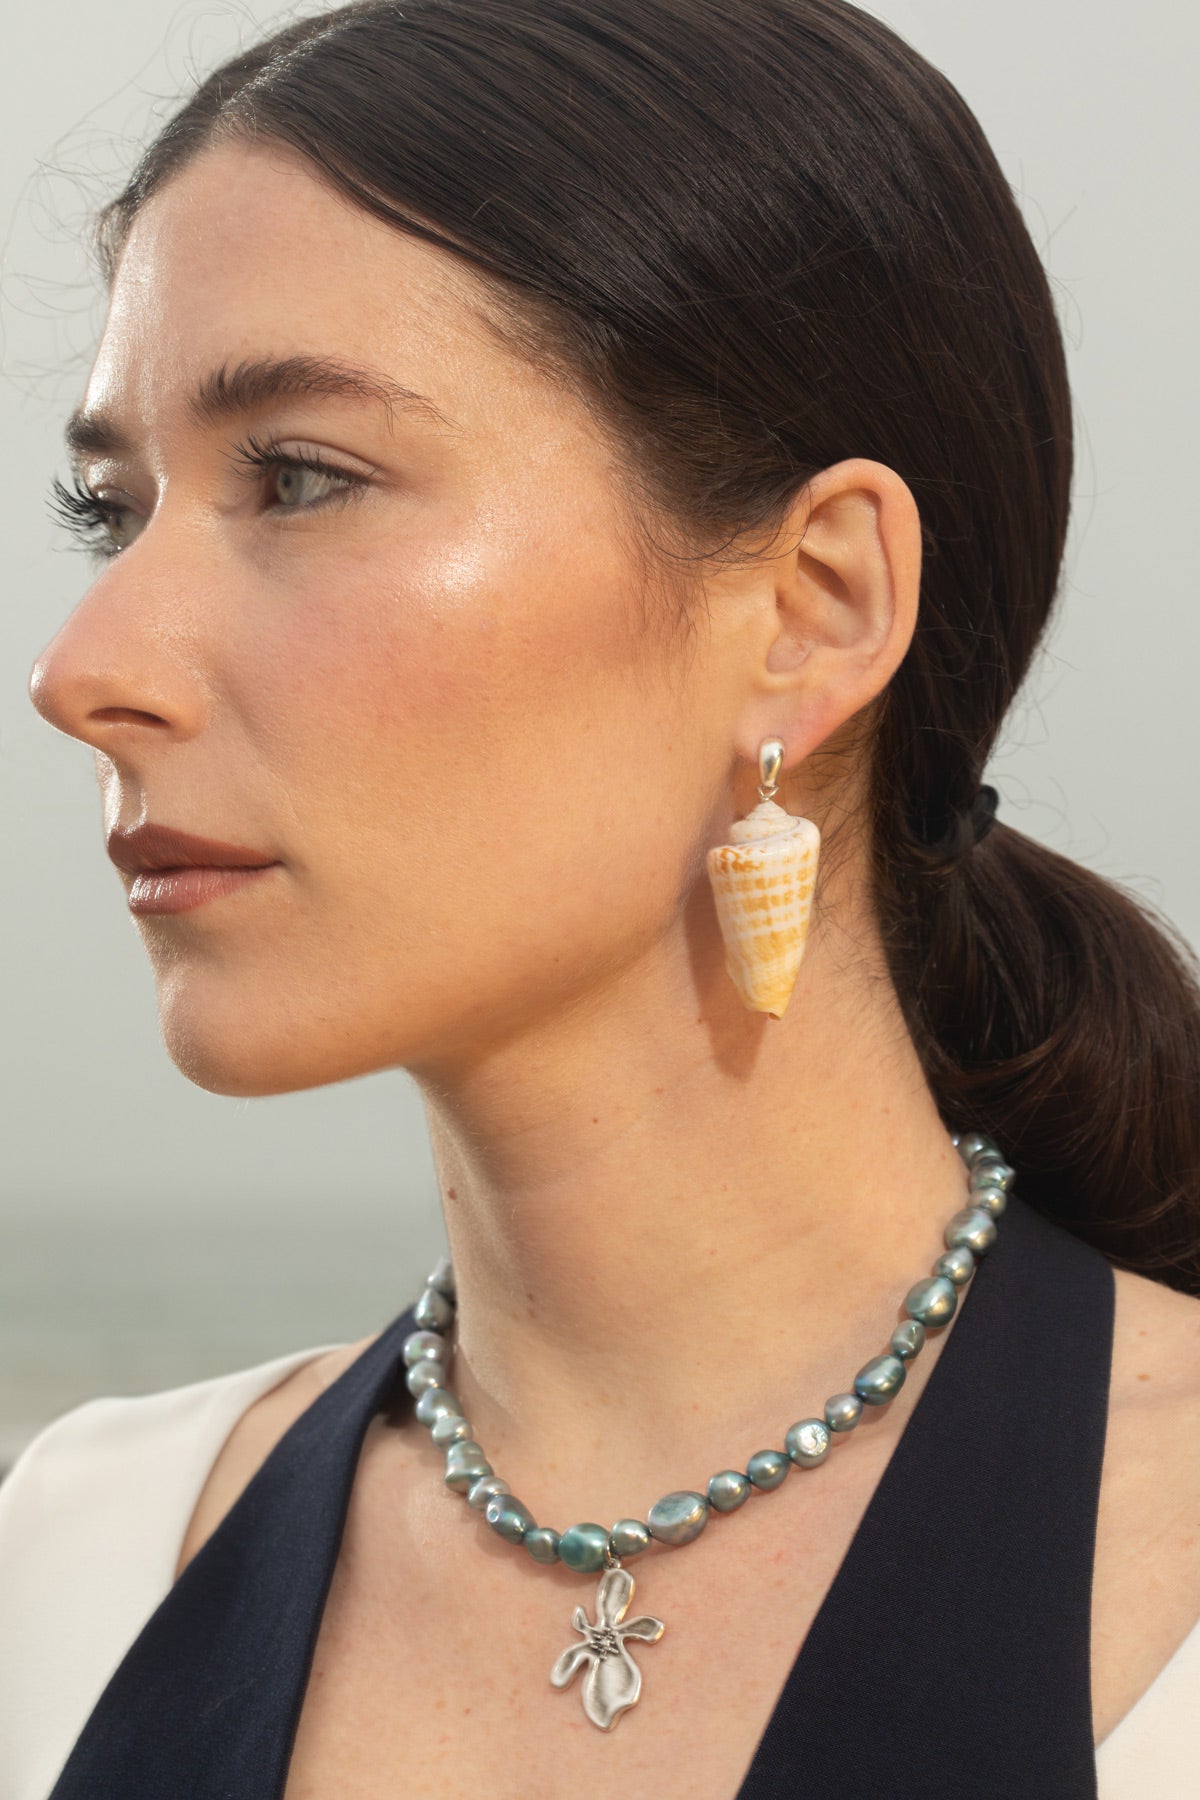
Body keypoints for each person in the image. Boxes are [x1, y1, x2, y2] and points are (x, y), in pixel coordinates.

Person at [1, 0, 1197, 1794]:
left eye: (302, 479)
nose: (84, 668)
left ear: (811, 608)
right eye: (115, 510)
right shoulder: (71, 1568)